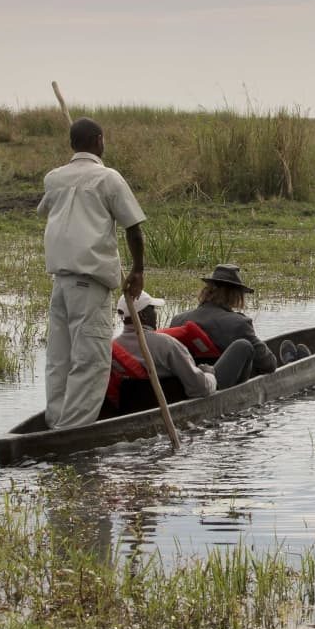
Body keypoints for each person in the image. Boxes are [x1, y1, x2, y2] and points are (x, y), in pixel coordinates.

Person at [37, 116, 145, 430]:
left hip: (61, 283)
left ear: (73, 144)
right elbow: (134, 229)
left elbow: (45, 209)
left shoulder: (54, 178)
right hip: (88, 283)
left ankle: (56, 420)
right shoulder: (108, 178)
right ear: (98, 140)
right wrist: (138, 270)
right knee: (91, 361)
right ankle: (71, 432)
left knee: (60, 358)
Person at [109, 290, 254, 411]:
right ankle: (239, 405)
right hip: (178, 400)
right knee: (243, 346)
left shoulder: (113, 346)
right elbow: (199, 389)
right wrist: (209, 374)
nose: (156, 314)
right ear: (143, 315)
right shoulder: (166, 344)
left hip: (138, 405)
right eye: (152, 310)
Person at [168, 264, 278, 384]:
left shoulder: (177, 320)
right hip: (217, 385)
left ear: (207, 291)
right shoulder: (239, 323)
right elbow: (269, 364)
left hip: (183, 385)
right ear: (235, 295)